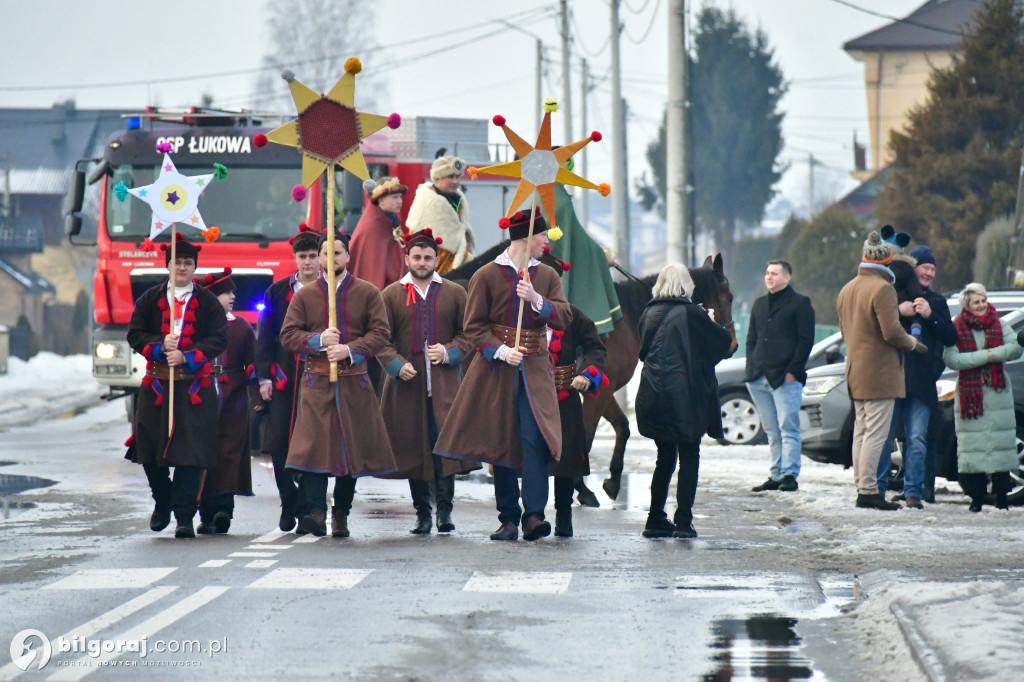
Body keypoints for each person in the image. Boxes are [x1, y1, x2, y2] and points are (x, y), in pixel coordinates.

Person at [435, 209, 572, 541]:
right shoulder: (486, 275)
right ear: (525, 238)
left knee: (534, 439)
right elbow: (474, 328)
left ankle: (535, 516)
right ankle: (509, 517)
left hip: (536, 369)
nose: (546, 242)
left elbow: (564, 316)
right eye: (541, 236)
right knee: (502, 442)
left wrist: (538, 300)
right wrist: (500, 350)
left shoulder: (547, 276)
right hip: (497, 369)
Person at [280, 230, 397, 537]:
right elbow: (288, 335)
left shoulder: (368, 292)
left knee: (351, 450)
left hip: (354, 382)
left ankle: (341, 512)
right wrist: (316, 340)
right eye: (326, 253)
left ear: (348, 256)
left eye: (338, 252)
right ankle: (316, 511)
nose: (331, 258)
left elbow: (380, 333)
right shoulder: (304, 295)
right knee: (315, 448)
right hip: (316, 382)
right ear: (318, 258)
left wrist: (350, 349)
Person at [125, 234, 227, 538]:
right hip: (157, 385)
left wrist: (186, 354)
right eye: (176, 262)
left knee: (190, 453)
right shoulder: (149, 299)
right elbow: (134, 334)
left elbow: (219, 339)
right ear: (167, 265)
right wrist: (158, 345)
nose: (182, 267)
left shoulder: (208, 302)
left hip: (193, 388)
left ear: (195, 266)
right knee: (148, 449)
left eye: (187, 262)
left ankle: (184, 516)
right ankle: (162, 501)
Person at [378, 229, 476, 534]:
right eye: (416, 257)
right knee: (413, 449)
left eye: (428, 257)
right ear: (407, 258)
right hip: (406, 385)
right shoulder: (391, 294)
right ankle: (422, 512)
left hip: (444, 385)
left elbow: (470, 334)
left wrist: (449, 352)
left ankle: (445, 512)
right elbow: (380, 339)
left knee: (443, 447)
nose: (422, 262)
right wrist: (395, 364)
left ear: (437, 260)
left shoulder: (454, 293)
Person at [636, 264, 733, 539]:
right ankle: (683, 521)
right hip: (686, 396)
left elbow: (645, 352)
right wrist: (711, 321)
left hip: (654, 395)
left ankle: (655, 518)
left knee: (664, 457)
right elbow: (721, 344)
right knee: (689, 456)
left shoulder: (648, 313)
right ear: (687, 286)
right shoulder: (693, 314)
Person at [836, 231, 924, 511]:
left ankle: (862, 486)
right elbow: (892, 331)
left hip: (855, 371)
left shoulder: (847, 289)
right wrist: (911, 342)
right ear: (886, 260)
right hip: (880, 374)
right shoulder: (883, 288)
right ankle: (870, 491)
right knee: (876, 434)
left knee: (861, 432)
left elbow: (845, 332)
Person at [876, 244, 956, 507]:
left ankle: (914, 492)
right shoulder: (892, 295)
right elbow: (876, 326)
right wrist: (900, 311)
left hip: (922, 381)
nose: (929, 273)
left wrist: (930, 315)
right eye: (925, 267)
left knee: (918, 437)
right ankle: (877, 489)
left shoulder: (937, 302)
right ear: (913, 269)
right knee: (885, 437)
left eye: (933, 268)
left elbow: (950, 336)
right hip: (892, 376)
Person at [255, 224, 320, 532]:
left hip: (319, 375)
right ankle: (287, 499)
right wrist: (264, 377)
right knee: (279, 441)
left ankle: (307, 504)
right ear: (295, 258)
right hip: (284, 376)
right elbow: (265, 336)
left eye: (312, 256)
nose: (307, 262)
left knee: (312, 442)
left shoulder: (329, 290)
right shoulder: (277, 292)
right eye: (302, 256)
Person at [540, 250, 608, 537]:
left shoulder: (573, 315)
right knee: (528, 458)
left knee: (565, 461)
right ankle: (526, 517)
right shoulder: (515, 313)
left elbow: (595, 347)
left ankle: (564, 518)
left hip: (564, 396)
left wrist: (585, 373)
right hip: (527, 396)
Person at [943, 283, 1022, 512]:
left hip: (998, 393)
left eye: (984, 300)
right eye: (977, 302)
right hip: (970, 397)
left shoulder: (999, 323)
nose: (982, 305)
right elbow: (953, 360)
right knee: (972, 449)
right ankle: (976, 498)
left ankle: (1001, 498)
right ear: (967, 304)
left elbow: (1014, 349)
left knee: (1001, 446)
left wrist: (984, 355)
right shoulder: (956, 327)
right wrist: (988, 356)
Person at [196, 269, 257, 534]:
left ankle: (223, 509)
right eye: (227, 292)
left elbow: (253, 363)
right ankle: (204, 512)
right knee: (203, 449)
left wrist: (256, 394)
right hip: (200, 391)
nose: (233, 296)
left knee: (229, 451)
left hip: (233, 396)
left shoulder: (241, 327)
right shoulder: (196, 326)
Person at [745, 260, 815, 494]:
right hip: (758, 378)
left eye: (774, 273)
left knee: (788, 427)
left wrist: (792, 372)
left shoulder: (800, 304)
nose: (769, 277)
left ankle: (789, 474)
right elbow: (751, 340)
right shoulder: (759, 304)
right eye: (767, 273)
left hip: (785, 378)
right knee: (771, 430)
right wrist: (751, 366)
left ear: (787, 277)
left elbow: (805, 341)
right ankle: (776, 474)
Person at [406, 156, 475, 274]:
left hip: (459, 270)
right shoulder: (427, 202)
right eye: (450, 177)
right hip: (435, 272)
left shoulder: (458, 200)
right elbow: (417, 245)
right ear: (437, 178)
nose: (455, 181)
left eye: (458, 177)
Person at [348, 176, 408, 291]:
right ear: (380, 200)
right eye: (394, 197)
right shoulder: (372, 226)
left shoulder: (390, 220)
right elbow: (372, 269)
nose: (400, 201)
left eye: (400, 197)